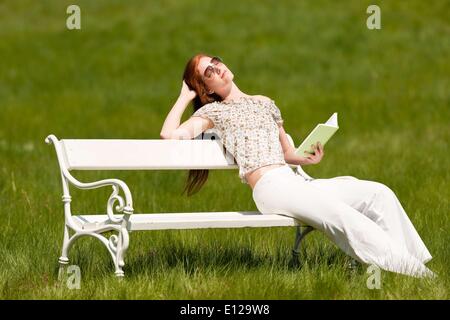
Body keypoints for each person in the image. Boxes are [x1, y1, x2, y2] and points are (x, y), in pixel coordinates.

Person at [160, 53, 435, 278]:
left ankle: (414, 261)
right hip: (270, 188)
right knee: (339, 214)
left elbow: (287, 152)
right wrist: (185, 97)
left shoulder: (265, 103)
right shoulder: (213, 112)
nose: (217, 69)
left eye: (216, 61)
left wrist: (306, 157)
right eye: (208, 72)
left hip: (294, 181)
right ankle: (418, 276)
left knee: (379, 193)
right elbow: (169, 135)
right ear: (205, 89)